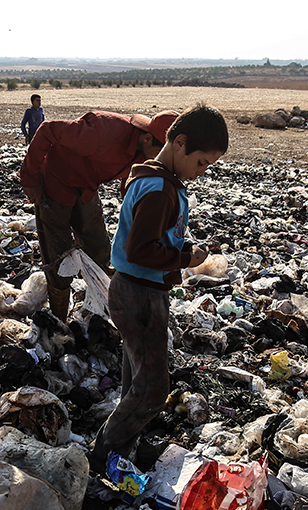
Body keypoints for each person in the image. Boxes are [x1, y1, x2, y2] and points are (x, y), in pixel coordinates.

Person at [90, 105, 228, 469]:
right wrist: (184, 258)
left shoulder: (158, 180)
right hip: (140, 294)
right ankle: (102, 454)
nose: (201, 172)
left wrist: (184, 248)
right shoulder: (159, 189)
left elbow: (155, 239)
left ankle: (121, 452)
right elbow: (140, 249)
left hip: (138, 289)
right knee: (153, 390)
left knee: (135, 380)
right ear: (179, 143)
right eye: (201, 163)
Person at [19, 109, 179, 319]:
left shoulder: (144, 151)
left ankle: (101, 310)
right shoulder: (103, 131)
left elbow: (130, 182)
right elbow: (48, 130)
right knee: (58, 256)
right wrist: (29, 177)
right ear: (148, 139)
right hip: (56, 181)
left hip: (87, 188)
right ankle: (59, 320)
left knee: (100, 249)